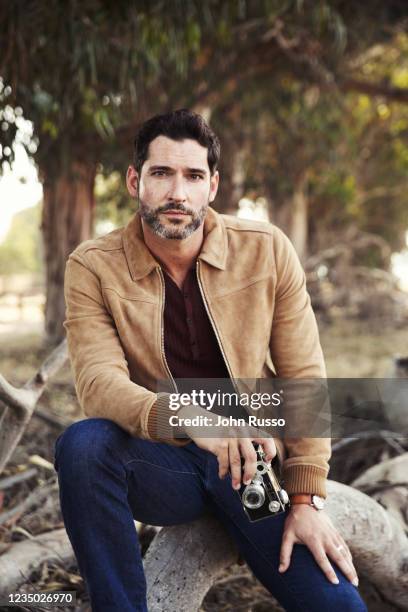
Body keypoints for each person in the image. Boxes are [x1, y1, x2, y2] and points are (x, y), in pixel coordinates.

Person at [54, 109, 367, 611]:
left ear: (212, 186)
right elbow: (98, 383)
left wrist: (307, 500)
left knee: (336, 606)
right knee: (84, 446)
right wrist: (199, 422)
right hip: (164, 465)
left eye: (193, 176)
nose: (178, 192)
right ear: (136, 180)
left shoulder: (265, 251)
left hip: (251, 469)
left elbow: (303, 376)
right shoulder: (93, 265)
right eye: (161, 173)